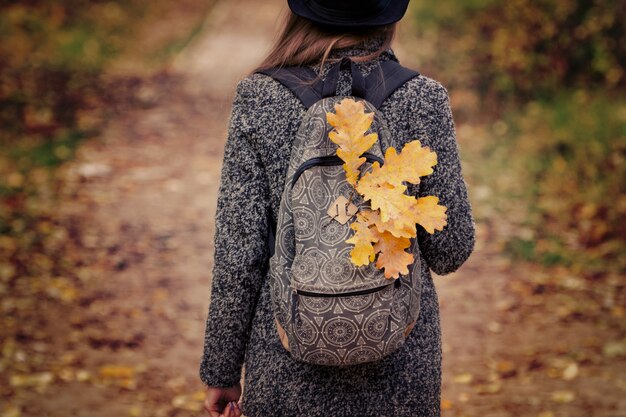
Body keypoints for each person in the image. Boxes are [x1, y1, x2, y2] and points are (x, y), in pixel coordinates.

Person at [199, 1, 476, 416]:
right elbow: (451, 249)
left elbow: (239, 257)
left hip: (287, 361)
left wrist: (221, 371)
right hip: (399, 364)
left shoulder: (258, 98)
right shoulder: (422, 98)